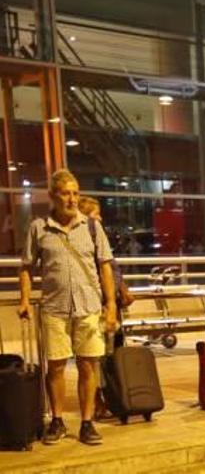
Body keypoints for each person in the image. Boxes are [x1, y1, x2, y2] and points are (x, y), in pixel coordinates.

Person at [18, 169, 117, 445]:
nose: (72, 199)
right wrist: (25, 299)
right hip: (55, 308)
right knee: (57, 367)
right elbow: (26, 267)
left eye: (75, 193)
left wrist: (110, 304)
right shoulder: (39, 228)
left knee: (88, 366)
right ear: (52, 196)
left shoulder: (92, 227)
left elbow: (105, 267)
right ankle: (58, 421)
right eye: (65, 193)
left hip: (88, 307)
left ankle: (86, 423)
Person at [78, 196, 136, 349]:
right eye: (95, 214)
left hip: (111, 300)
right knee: (101, 345)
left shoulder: (98, 237)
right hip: (100, 301)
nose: (100, 218)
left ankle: (115, 370)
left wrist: (122, 289)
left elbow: (112, 267)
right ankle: (107, 370)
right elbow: (105, 268)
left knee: (116, 341)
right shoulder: (86, 240)